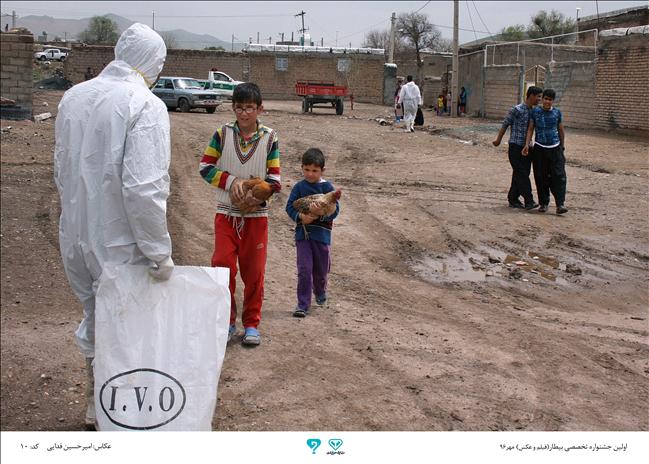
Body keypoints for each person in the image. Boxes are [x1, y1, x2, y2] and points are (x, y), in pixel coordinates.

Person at [53, 23, 173, 430]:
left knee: (94, 314)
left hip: (77, 234)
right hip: (120, 244)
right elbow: (144, 189)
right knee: (126, 326)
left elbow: (61, 168)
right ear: (151, 61)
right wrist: (159, 252)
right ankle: (121, 413)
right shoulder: (145, 104)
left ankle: (95, 405)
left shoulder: (73, 97)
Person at [199, 82, 281, 346]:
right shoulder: (222, 134)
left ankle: (251, 324)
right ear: (233, 108)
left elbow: (275, 180)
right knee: (222, 266)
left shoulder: (270, 138)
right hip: (226, 214)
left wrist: (258, 197)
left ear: (260, 109)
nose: (244, 113)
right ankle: (226, 321)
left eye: (250, 108)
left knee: (254, 272)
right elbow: (205, 167)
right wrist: (231, 181)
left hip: (256, 218)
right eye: (240, 108)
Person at [286, 148, 340, 317]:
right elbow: (289, 207)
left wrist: (320, 214)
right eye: (307, 169)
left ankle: (320, 290)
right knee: (304, 269)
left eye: (314, 170)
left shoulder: (327, 187)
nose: (310, 174)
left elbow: (335, 210)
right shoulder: (299, 187)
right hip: (303, 235)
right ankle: (302, 304)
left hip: (322, 236)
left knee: (321, 270)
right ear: (302, 168)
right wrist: (301, 217)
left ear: (322, 170)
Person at [493, 86, 543, 210]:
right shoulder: (516, 109)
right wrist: (498, 140)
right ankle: (529, 200)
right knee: (521, 173)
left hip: (528, 148)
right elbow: (505, 124)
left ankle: (513, 198)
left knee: (521, 173)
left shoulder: (535, 112)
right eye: (538, 97)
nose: (539, 99)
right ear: (531, 95)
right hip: (515, 147)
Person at [523, 88, 568, 214]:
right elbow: (531, 128)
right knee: (540, 176)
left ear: (553, 101)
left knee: (559, 176)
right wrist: (527, 144)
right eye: (546, 99)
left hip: (555, 148)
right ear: (542, 99)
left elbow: (560, 130)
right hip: (539, 149)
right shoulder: (535, 112)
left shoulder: (557, 113)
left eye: (550, 100)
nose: (547, 102)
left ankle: (560, 204)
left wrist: (562, 147)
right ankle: (543, 203)